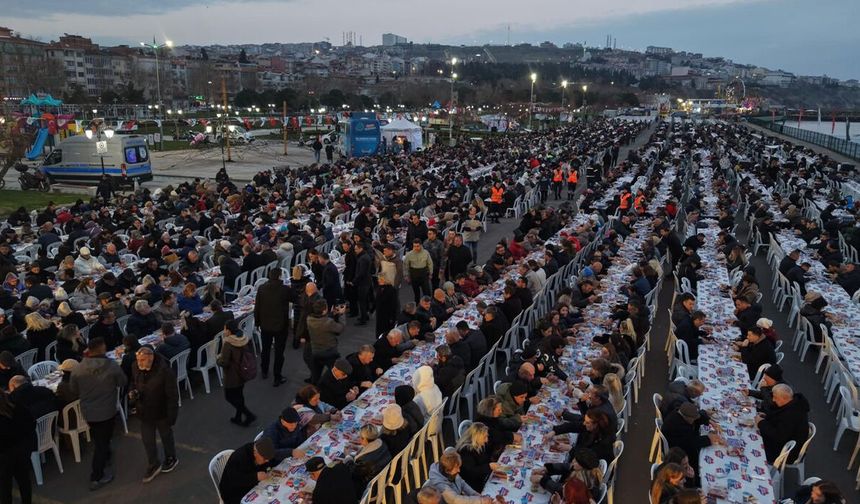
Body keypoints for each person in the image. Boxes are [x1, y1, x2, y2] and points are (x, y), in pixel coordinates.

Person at [70, 337, 128, 490]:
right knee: (101, 443)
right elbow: (122, 382)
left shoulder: (78, 368)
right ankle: (96, 476)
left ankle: (106, 455)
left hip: (88, 411)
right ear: (102, 349)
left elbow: (74, 390)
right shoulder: (111, 366)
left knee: (99, 437)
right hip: (106, 410)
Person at [130, 345, 179, 482]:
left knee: (166, 436)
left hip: (161, 411)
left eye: (143, 360)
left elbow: (173, 395)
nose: (140, 363)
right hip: (144, 411)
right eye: (138, 360)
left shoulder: (165, 371)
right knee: (147, 440)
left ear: (151, 358)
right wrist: (133, 392)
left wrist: (172, 415)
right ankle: (153, 463)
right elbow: (133, 382)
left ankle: (171, 457)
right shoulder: (135, 366)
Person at [661, 403, 722, 474]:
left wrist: (708, 421)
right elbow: (692, 442)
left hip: (682, 442)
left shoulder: (680, 413)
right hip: (676, 450)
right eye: (693, 419)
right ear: (687, 418)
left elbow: (696, 418)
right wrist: (709, 438)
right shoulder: (679, 426)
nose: (694, 420)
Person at [756, 384, 810, 463]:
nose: (773, 400)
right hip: (783, 441)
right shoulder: (792, 403)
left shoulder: (792, 414)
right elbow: (778, 417)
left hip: (785, 452)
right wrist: (766, 416)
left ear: (784, 398)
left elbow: (779, 436)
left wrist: (761, 423)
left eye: (775, 397)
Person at [217, 319, 256, 427]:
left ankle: (248, 414)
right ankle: (238, 417)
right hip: (242, 372)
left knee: (229, 397)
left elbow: (224, 362)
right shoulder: (242, 338)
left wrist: (218, 359)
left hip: (232, 376)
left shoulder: (228, 343)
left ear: (229, 330)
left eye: (225, 328)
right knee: (239, 395)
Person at [423, 448, 495, 503]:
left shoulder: (451, 472)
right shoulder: (441, 485)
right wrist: (480, 501)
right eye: (457, 468)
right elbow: (455, 500)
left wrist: (477, 495)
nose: (459, 470)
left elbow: (462, 484)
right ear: (447, 471)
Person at [0, 392, 35, 504]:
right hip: (21, 451)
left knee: (5, 488)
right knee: (24, 482)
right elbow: (32, 423)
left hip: (4, 457)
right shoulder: (17, 407)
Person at [218, 437, 276, 504]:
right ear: (255, 453)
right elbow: (235, 481)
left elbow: (266, 465)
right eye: (264, 459)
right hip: (233, 493)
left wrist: (266, 469)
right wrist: (255, 477)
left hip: (250, 486)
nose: (267, 461)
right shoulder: (240, 457)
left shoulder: (260, 450)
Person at [307, 298, 346, 384]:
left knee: (316, 376)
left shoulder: (309, 319)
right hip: (329, 353)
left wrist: (331, 314)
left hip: (316, 352)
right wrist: (342, 314)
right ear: (324, 310)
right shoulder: (329, 323)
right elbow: (340, 328)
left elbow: (322, 320)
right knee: (338, 373)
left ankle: (314, 392)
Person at [346, 424, 391, 494]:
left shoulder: (364, 460)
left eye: (360, 437)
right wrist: (359, 449)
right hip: (383, 476)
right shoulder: (382, 443)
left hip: (369, 488)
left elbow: (353, 471)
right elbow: (371, 450)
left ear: (365, 439)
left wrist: (347, 456)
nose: (359, 439)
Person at [456, 422, 499, 492]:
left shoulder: (478, 445)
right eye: (484, 437)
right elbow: (471, 472)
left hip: (481, 478)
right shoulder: (465, 451)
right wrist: (489, 466)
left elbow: (485, 459)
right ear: (477, 437)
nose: (486, 440)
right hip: (471, 486)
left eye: (487, 436)